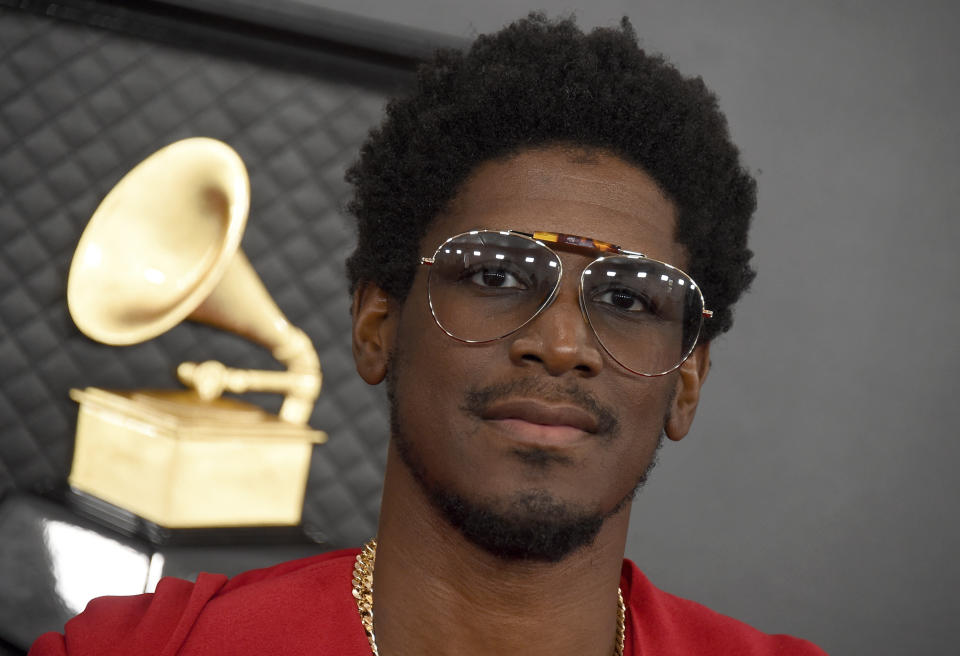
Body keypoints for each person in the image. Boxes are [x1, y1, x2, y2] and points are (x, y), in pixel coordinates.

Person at [30, 14, 827, 656]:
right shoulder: (139, 648)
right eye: (494, 275)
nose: (561, 343)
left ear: (687, 381)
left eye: (628, 298)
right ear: (378, 326)